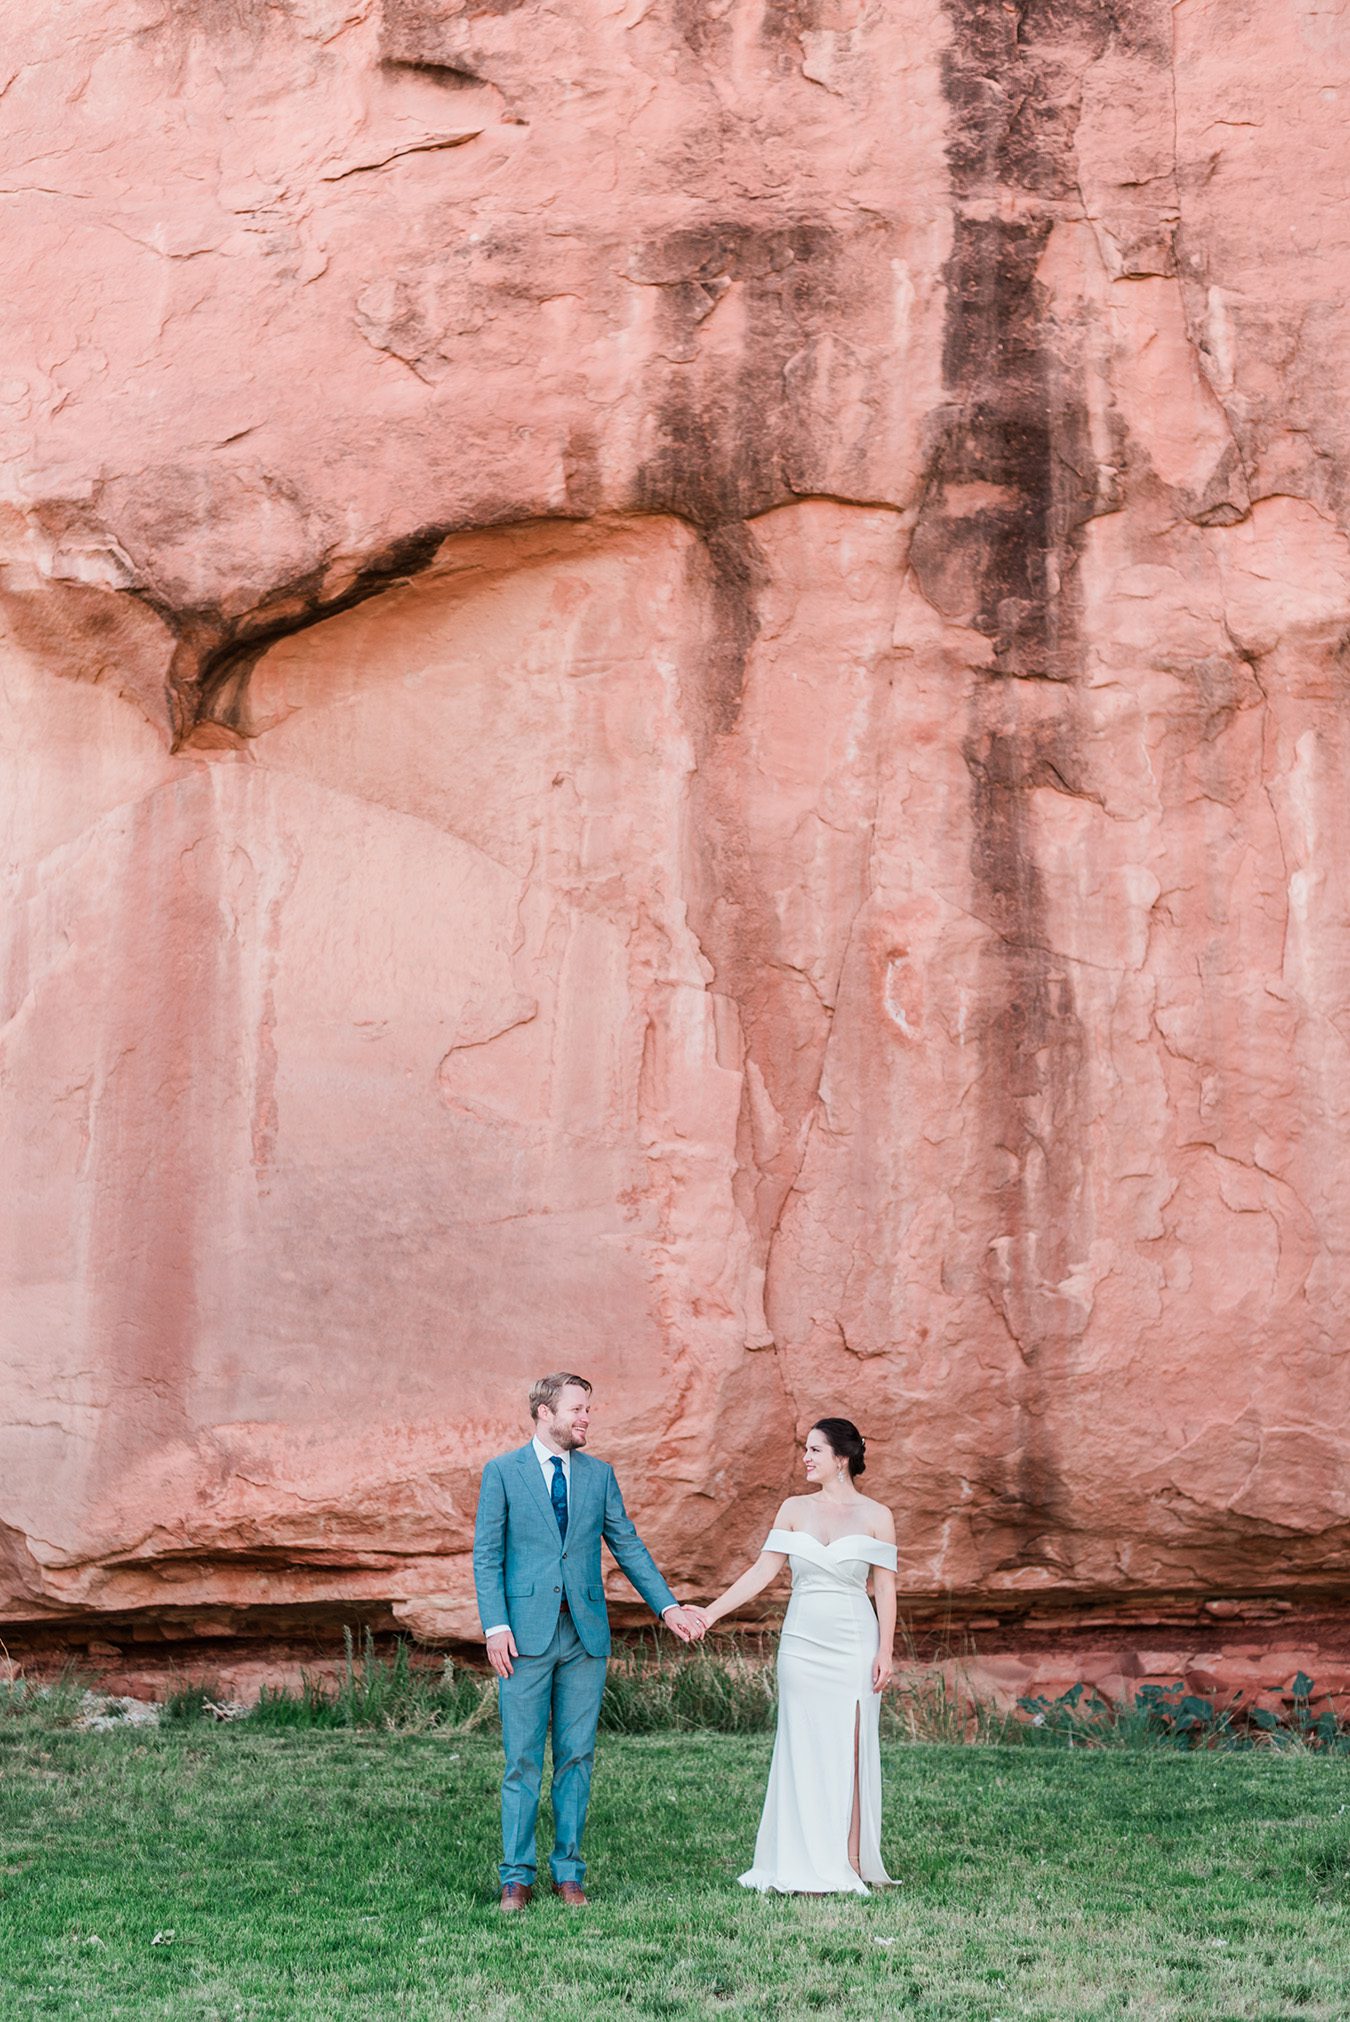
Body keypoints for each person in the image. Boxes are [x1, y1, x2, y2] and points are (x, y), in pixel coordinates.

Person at [472, 1372, 706, 1911]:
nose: (585, 1418)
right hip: (522, 1638)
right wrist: (495, 1626)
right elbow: (486, 1555)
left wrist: (667, 1607)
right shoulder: (502, 1473)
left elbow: (627, 1544)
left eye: (588, 1410)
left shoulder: (599, 1475)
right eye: (577, 1409)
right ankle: (516, 1876)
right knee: (522, 1760)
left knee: (577, 1756)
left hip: (584, 1637)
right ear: (544, 1413)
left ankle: (568, 1872)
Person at [697, 1417, 896, 1894]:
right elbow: (762, 1572)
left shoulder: (877, 1515)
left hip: (854, 1642)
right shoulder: (793, 1508)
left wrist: (886, 1649)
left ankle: (847, 1861)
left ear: (842, 1458)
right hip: (802, 1644)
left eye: (815, 1450)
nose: (805, 1458)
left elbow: (885, 1589)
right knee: (801, 1745)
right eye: (805, 1450)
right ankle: (800, 1858)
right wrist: (709, 1613)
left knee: (850, 1746)